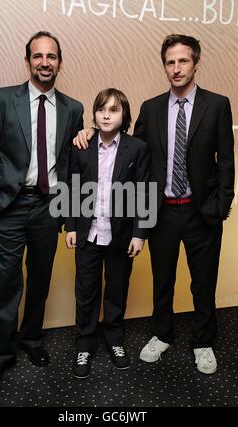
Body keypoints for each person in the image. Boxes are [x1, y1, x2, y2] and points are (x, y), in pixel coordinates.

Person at [74, 34, 235, 375]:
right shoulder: (150, 107)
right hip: (161, 211)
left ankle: (203, 342)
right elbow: (130, 151)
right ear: (164, 65)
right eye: (170, 62)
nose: (176, 69)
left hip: (201, 211)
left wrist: (221, 205)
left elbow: (226, 161)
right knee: (163, 279)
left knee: (203, 282)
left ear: (196, 63)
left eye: (183, 61)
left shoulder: (217, 104)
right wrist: (90, 131)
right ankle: (162, 334)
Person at [0, 31, 84, 389]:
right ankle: (2, 354)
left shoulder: (73, 109)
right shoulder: (2, 99)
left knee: (39, 279)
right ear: (27, 62)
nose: (44, 62)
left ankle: (32, 340)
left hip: (47, 206)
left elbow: (70, 165)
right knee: (6, 283)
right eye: (38, 56)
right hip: (7, 205)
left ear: (59, 63)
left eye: (51, 56)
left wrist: (67, 214)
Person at [65, 88, 150, 378]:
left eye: (113, 110)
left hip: (121, 237)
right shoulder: (81, 146)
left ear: (124, 115)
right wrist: (71, 227)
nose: (106, 114)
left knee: (117, 291)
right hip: (88, 235)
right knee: (86, 292)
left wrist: (139, 233)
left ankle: (115, 340)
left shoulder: (137, 148)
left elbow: (143, 194)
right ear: (94, 114)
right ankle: (84, 345)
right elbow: (72, 188)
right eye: (101, 109)